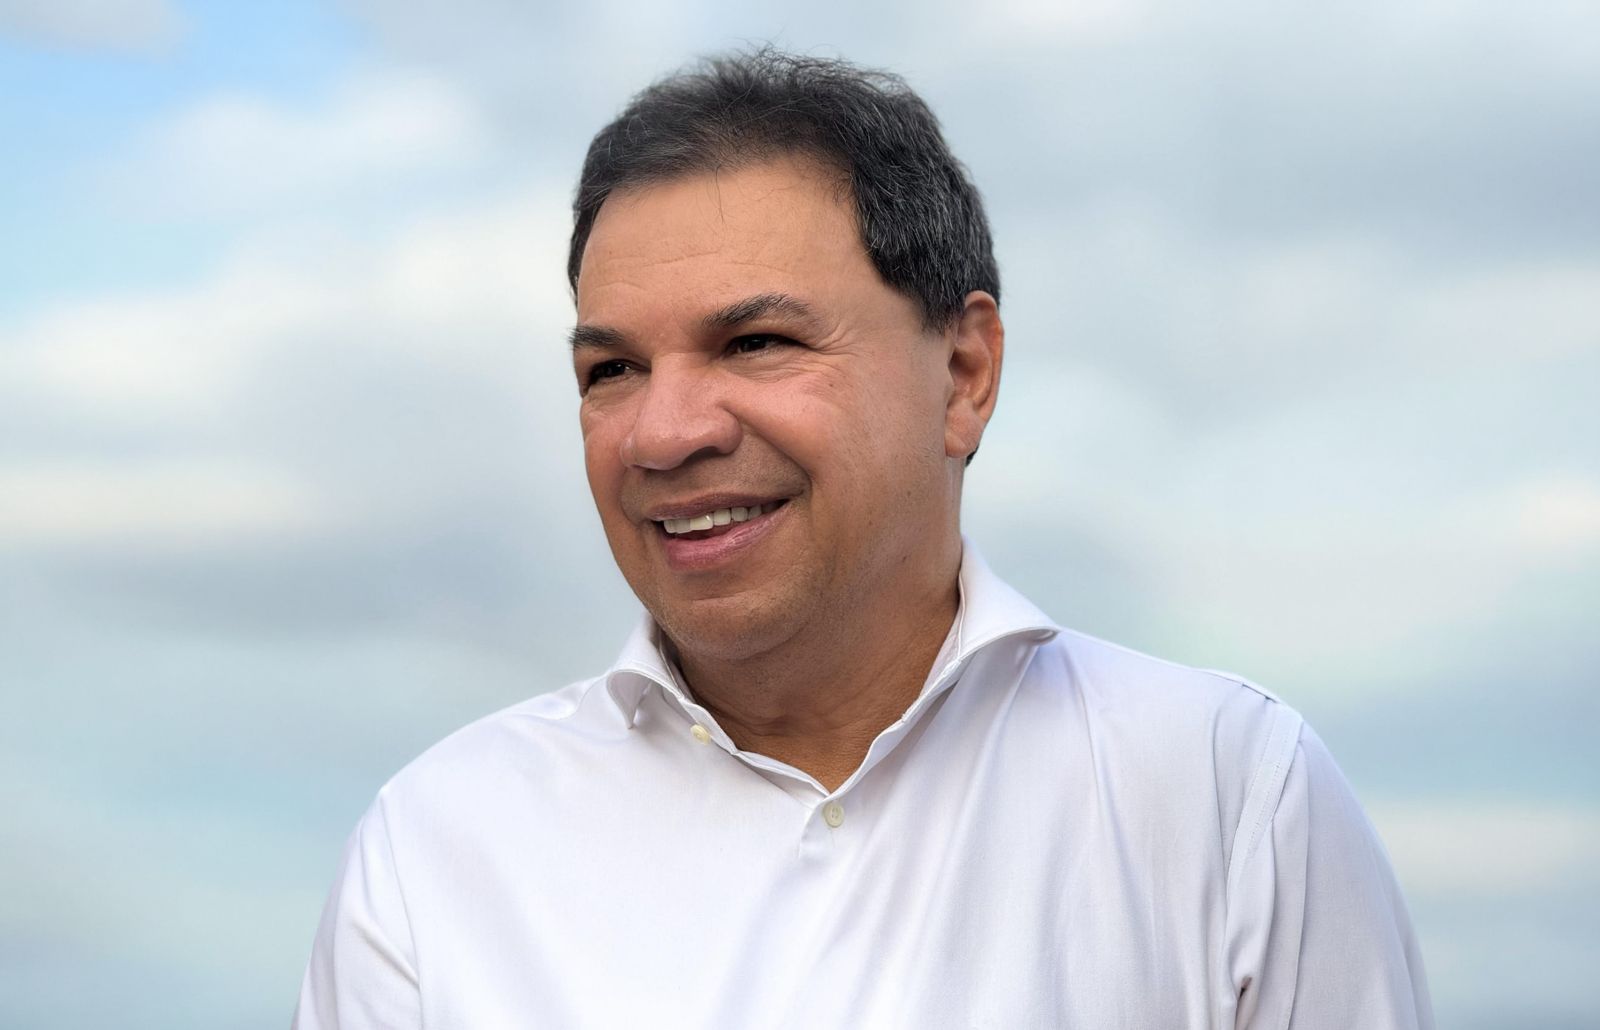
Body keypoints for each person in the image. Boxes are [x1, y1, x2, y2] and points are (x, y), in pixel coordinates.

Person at [294, 50, 1433, 1028]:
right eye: (613, 369)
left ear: (964, 373)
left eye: (756, 343)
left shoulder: (1225, 797)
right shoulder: (435, 856)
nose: (663, 433)